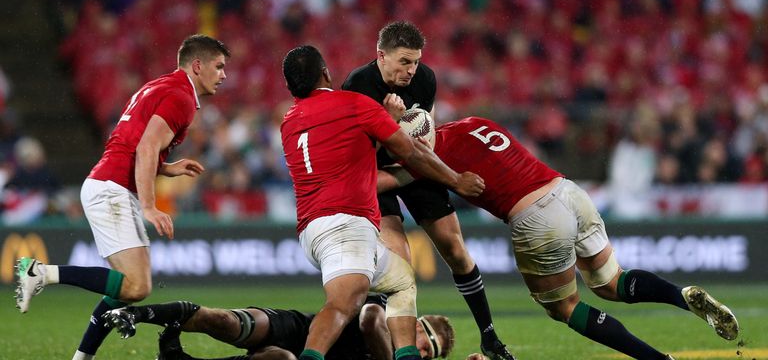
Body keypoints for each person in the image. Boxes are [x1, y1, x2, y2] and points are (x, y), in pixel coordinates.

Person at [381, 113, 740, 360]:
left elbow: (387, 180)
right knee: (611, 282)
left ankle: (654, 357)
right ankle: (680, 295)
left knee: (564, 308)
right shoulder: (472, 123)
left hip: (535, 216)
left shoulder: (424, 159)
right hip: (569, 192)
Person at [14, 34, 230, 360]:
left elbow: (135, 142)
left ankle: (81, 357)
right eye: (219, 66)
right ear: (198, 65)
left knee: (127, 288)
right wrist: (149, 207)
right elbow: (144, 147)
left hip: (107, 183)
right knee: (136, 287)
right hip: (112, 189)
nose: (224, 75)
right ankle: (40, 273)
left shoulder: (160, 86)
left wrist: (167, 167)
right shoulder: (181, 98)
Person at [280, 45, 484, 360]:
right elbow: (412, 152)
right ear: (326, 73)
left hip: (311, 231)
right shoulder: (354, 104)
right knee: (342, 304)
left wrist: (383, 124)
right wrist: (456, 181)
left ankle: (406, 355)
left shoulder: (289, 122)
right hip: (346, 224)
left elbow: (348, 159)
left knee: (402, 281)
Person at [342, 21, 514, 360]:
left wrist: (431, 164)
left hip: (415, 165)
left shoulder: (425, 80)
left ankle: (489, 336)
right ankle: (392, 348)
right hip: (377, 175)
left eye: (416, 61)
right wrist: (387, 123)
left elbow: (425, 134)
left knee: (455, 249)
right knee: (400, 265)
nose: (411, 70)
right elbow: (360, 158)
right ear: (381, 56)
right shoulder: (357, 86)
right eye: (404, 61)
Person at [101, 292, 455, 360]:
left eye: (430, 354)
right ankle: (138, 314)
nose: (421, 350)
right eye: (426, 339)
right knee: (226, 321)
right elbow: (369, 318)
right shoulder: (388, 310)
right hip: (299, 329)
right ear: (416, 322)